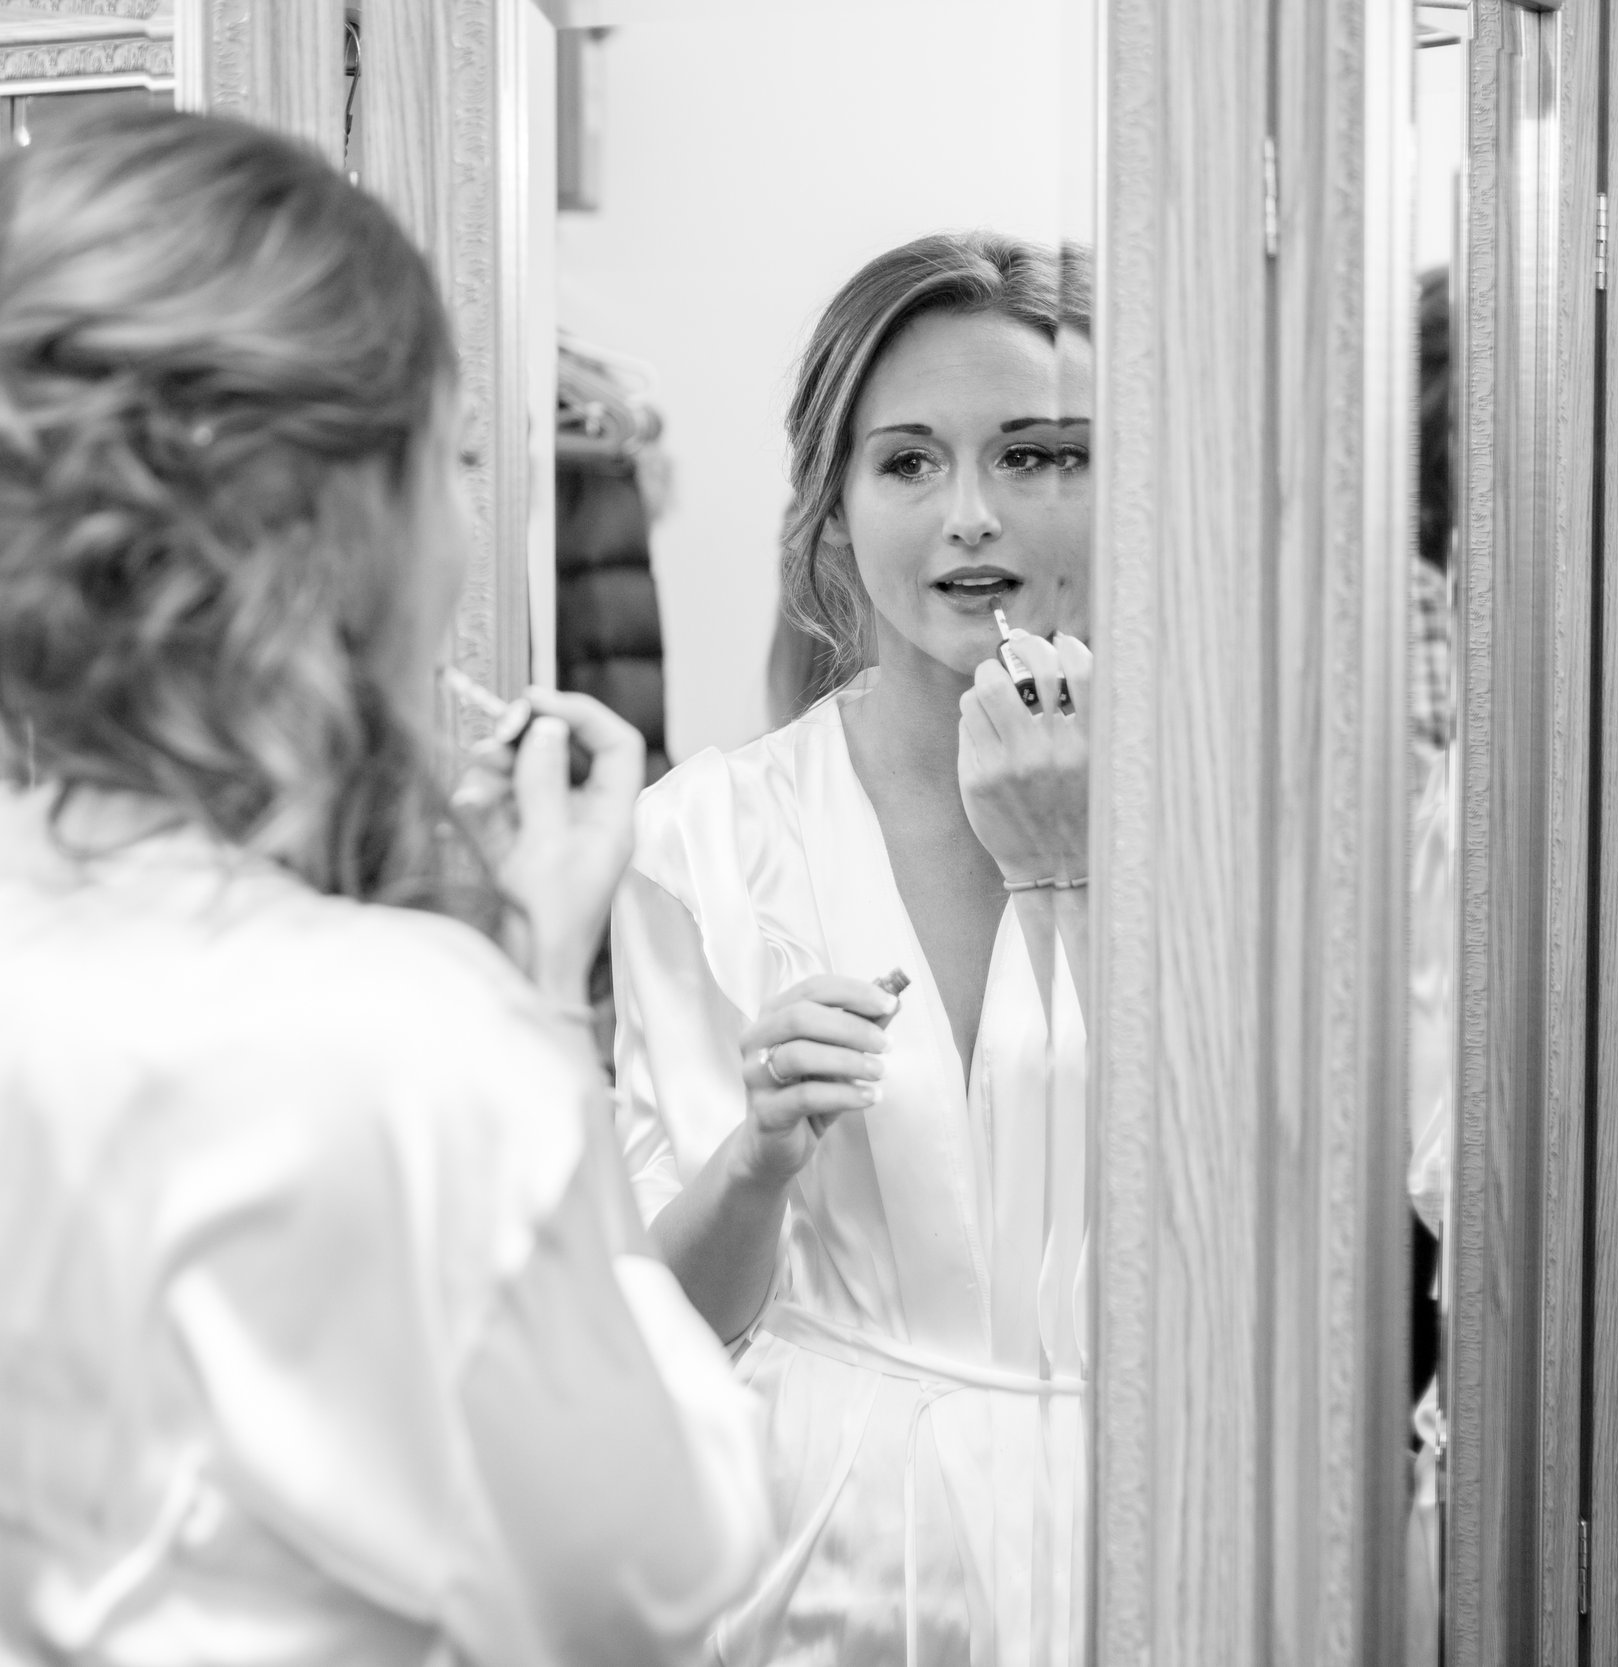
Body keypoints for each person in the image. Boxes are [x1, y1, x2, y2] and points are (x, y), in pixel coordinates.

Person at [0, 109, 769, 1667]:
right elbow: (663, 1581)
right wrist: (542, 991)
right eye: (459, 460)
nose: (472, 522)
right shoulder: (413, 1038)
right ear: (341, 529)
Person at [610, 232, 1093, 1667]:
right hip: (824, 1562)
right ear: (835, 504)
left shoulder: (1232, 816)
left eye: (1034, 456)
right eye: (908, 463)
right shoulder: (707, 836)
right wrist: (758, 1156)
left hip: (1158, 1535)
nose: (971, 519)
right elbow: (674, 1322)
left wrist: (1071, 873)